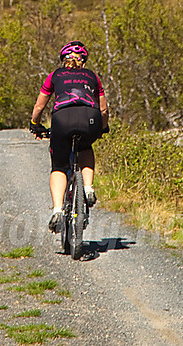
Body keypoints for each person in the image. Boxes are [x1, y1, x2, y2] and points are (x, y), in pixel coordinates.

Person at [29, 41, 109, 233]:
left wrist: (35, 125)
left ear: (63, 59)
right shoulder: (92, 76)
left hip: (62, 118)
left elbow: (39, 106)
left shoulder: (55, 75)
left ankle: (57, 211)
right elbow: (104, 108)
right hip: (89, 117)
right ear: (84, 61)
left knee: (59, 165)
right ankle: (88, 188)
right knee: (85, 147)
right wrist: (103, 127)